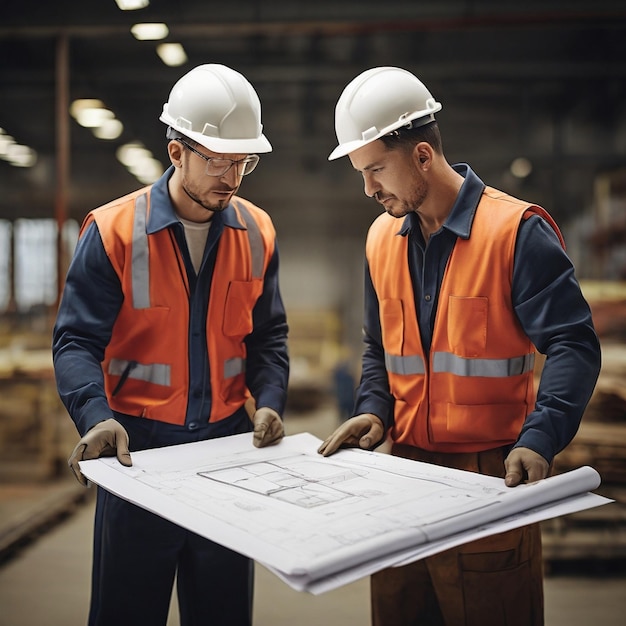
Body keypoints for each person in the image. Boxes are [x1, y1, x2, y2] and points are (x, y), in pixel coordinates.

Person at [318, 66, 601, 626]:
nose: (369, 189)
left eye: (376, 169)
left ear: (422, 156)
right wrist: (373, 410)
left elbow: (572, 344)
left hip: (490, 479)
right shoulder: (380, 238)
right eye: (361, 172)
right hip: (399, 476)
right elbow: (378, 347)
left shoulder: (515, 232)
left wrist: (541, 440)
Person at [52, 64, 289, 626]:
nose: (232, 176)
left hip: (226, 457)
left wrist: (271, 398)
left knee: (223, 614)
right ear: (176, 152)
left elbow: (269, 337)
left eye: (244, 161)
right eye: (218, 158)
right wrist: (94, 416)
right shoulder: (113, 231)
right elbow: (75, 340)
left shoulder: (258, 232)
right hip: (139, 457)